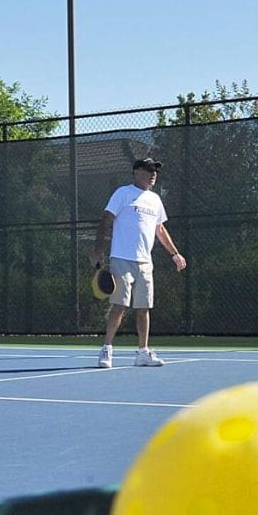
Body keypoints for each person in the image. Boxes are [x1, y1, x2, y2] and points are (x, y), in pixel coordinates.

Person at [90, 156, 187, 368]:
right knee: (120, 304)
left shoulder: (155, 200)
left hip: (145, 262)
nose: (153, 174)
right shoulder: (123, 193)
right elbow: (106, 219)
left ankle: (143, 352)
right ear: (136, 172)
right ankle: (106, 349)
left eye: (155, 171)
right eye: (148, 169)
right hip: (121, 258)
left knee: (143, 308)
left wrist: (175, 254)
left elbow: (160, 229)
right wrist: (98, 250)